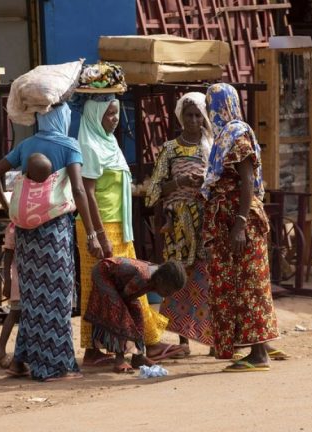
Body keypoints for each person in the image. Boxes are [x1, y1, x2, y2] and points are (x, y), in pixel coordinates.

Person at [0, 103, 101, 382]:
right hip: (54, 235)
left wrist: (7, 207)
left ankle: (20, 362)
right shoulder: (69, 146)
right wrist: (92, 234)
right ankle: (55, 367)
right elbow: (78, 190)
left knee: (32, 300)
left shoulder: (26, 145)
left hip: (26, 236)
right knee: (57, 299)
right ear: (62, 118)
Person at [76, 94, 187, 366]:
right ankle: (96, 348)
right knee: (99, 287)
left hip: (119, 225)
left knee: (131, 285)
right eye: (109, 114)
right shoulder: (89, 145)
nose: (115, 119)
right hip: (102, 226)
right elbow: (87, 193)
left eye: (116, 113)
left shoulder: (110, 142)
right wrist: (97, 235)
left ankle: (144, 342)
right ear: (95, 115)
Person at [201, 83, 280, 372]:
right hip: (230, 221)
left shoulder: (236, 135)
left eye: (210, 105)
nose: (209, 111)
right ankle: (259, 345)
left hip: (239, 221)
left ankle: (259, 354)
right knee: (240, 284)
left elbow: (247, 180)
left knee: (249, 285)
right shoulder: (225, 136)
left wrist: (240, 224)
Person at [146, 91, 214, 350]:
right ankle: (182, 340)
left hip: (205, 221)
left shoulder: (212, 147)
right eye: (189, 115)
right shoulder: (170, 150)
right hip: (177, 224)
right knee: (179, 277)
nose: (194, 120)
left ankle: (211, 339)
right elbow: (153, 191)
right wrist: (179, 182)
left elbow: (221, 182)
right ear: (180, 117)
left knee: (207, 278)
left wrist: (204, 184)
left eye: (198, 115)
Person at [84, 258, 187, 374]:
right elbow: (124, 299)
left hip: (121, 284)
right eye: (168, 291)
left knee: (138, 314)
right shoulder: (143, 277)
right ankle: (119, 359)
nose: (168, 295)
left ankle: (138, 357)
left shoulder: (155, 277)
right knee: (119, 312)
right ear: (160, 280)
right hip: (102, 273)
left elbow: (130, 296)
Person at [0, 223, 21, 369]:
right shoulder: (13, 228)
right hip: (18, 279)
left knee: (16, 313)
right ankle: (0, 350)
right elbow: (8, 255)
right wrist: (7, 280)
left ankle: (1, 350)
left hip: (22, 278)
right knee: (15, 312)